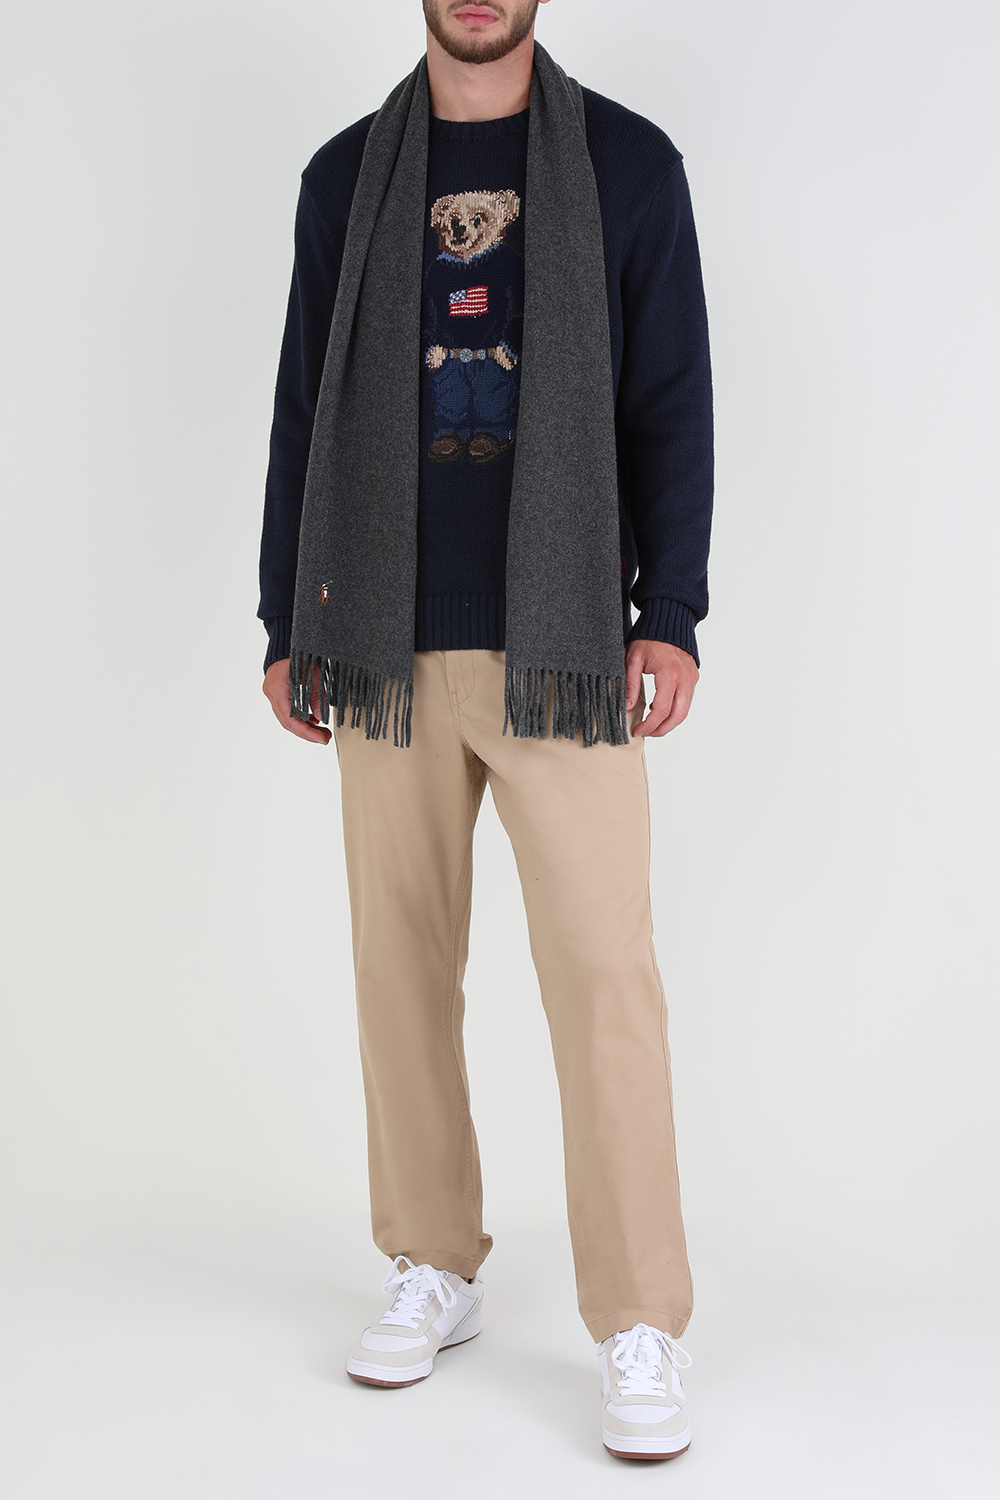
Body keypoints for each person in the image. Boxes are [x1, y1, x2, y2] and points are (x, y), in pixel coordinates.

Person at [257, 0, 713, 1463]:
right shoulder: (347, 176)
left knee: (603, 979)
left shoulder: (626, 167)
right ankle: (432, 1260)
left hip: (563, 649)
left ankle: (638, 1318)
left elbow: (671, 400)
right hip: (385, 638)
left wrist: (669, 609)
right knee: (398, 968)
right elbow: (303, 405)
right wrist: (286, 617)